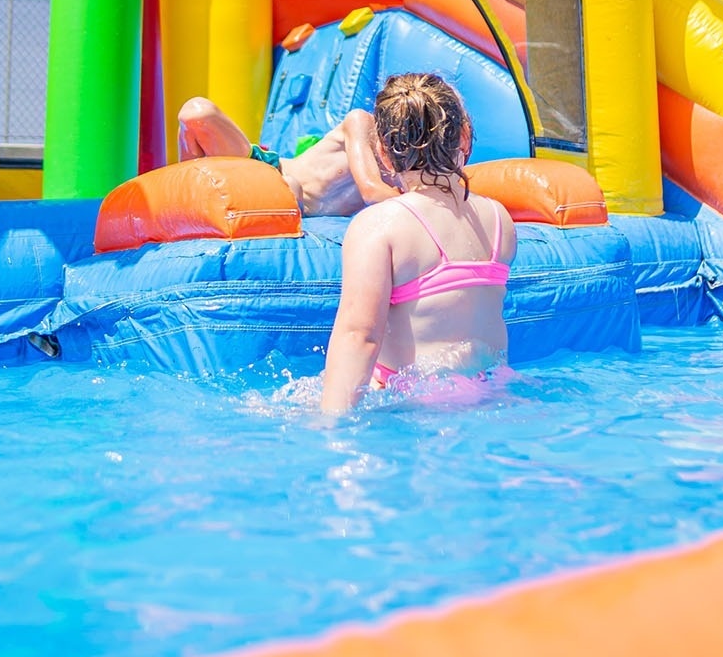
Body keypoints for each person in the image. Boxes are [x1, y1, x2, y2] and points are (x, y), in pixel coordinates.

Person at [320, 72, 515, 413]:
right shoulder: (500, 220)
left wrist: (331, 427)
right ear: (464, 137)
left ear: (382, 151)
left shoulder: (380, 225)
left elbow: (358, 337)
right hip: (492, 393)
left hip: (413, 404)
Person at [177, 96, 396, 216]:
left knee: (291, 189)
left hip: (282, 195)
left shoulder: (404, 172)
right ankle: (186, 193)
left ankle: (191, 196)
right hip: (265, 169)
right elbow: (370, 190)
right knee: (197, 111)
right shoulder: (361, 122)